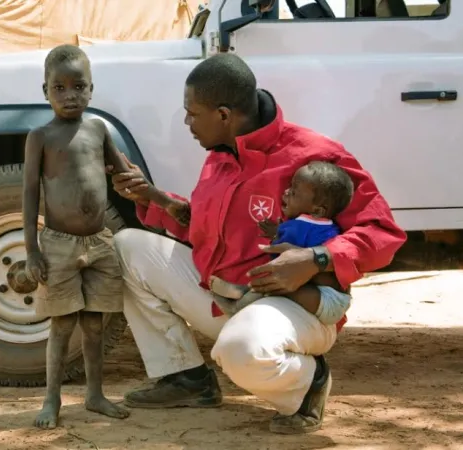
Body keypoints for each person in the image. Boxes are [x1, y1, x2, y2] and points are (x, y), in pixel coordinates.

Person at [107, 53, 406, 434]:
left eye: (193, 113)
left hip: (292, 309)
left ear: (224, 114)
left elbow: (383, 233)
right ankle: (184, 377)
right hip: (229, 297)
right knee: (128, 246)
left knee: (241, 352)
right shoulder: (220, 155)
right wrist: (153, 199)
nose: (187, 123)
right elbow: (205, 232)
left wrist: (315, 259)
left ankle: (307, 384)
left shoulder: (315, 156)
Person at [22, 44, 131, 429]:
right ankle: (51, 400)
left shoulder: (99, 128)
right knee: (62, 325)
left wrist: (144, 188)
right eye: (59, 88)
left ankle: (95, 395)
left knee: (95, 324)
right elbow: (30, 194)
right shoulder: (40, 136)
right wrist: (32, 249)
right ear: (46, 91)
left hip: (99, 241)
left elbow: (121, 172)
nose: (70, 96)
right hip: (59, 244)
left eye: (78, 87)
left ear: (91, 89)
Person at [210, 160, 355, 325]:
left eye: (293, 193)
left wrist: (276, 236)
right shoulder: (329, 228)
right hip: (339, 297)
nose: (286, 193)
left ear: (317, 210)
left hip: (323, 299)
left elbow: (286, 257)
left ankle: (239, 303)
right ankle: (246, 291)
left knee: (277, 287)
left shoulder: (298, 226)